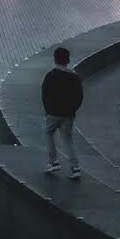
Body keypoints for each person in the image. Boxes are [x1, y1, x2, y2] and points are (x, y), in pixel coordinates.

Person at [42, 46, 83, 179]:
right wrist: (73, 110)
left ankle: (53, 161)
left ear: (55, 60)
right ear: (68, 60)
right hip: (68, 114)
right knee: (67, 139)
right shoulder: (74, 77)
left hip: (53, 113)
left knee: (49, 133)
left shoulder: (50, 76)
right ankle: (75, 167)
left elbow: (45, 94)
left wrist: (48, 110)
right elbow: (79, 96)